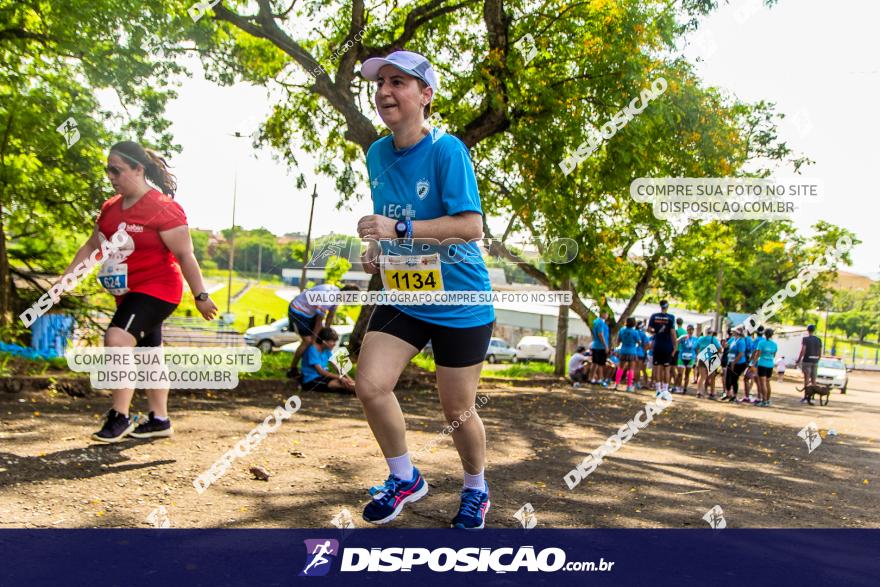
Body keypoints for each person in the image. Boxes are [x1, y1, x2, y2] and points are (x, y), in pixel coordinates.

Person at [356, 51, 494, 529]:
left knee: (456, 409)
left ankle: (476, 488)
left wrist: (395, 228)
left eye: (399, 82)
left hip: (460, 300)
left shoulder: (446, 150)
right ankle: (405, 478)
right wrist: (377, 246)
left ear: (426, 95)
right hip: (407, 294)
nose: (385, 91)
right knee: (371, 385)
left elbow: (470, 226)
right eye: (380, 84)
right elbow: (389, 224)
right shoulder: (376, 153)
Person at [62, 141, 218, 442]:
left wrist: (201, 296)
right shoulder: (110, 209)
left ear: (138, 169)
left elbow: (186, 255)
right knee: (149, 355)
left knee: (117, 338)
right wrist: (66, 279)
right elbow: (93, 246)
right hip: (129, 293)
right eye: (108, 170)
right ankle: (160, 420)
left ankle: (119, 416)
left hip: (159, 289)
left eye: (117, 170)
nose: (111, 176)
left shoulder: (163, 208)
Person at [287, 282, 360, 380]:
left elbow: (330, 316)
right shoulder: (330, 297)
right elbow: (319, 320)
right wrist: (314, 340)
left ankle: (308, 367)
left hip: (309, 313)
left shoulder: (337, 294)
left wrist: (327, 335)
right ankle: (293, 369)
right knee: (308, 341)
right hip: (298, 310)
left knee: (318, 341)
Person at [300, 327, 356, 393]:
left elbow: (337, 367)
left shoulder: (327, 350)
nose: (335, 344)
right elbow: (321, 371)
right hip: (311, 380)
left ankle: (358, 389)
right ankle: (359, 391)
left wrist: (349, 378)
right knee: (338, 384)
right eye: (333, 341)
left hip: (323, 378)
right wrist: (340, 377)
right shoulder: (312, 350)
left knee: (347, 382)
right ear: (324, 341)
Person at [647, 300, 676, 399]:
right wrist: (675, 346)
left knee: (657, 369)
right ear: (667, 307)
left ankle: (658, 390)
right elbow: (673, 333)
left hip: (657, 345)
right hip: (667, 346)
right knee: (666, 369)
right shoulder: (671, 317)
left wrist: (656, 331)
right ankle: (665, 390)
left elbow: (649, 329)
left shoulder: (654, 316)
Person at [796, 324, 823, 403]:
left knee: (806, 380)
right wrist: (818, 359)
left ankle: (806, 397)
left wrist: (798, 359)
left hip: (807, 360)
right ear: (814, 330)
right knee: (814, 381)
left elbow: (803, 350)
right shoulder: (818, 339)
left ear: (807, 330)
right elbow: (820, 352)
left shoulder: (805, 339)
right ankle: (812, 398)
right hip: (815, 361)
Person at [613, 317, 640, 392]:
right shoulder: (635, 332)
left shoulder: (622, 330)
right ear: (634, 323)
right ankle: (629, 386)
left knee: (620, 368)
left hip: (623, 351)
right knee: (631, 369)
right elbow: (639, 342)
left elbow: (618, 341)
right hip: (632, 351)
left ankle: (616, 383)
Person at [752, 328, 778, 407]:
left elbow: (758, 354)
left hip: (762, 364)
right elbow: (774, 355)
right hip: (770, 365)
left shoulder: (761, 343)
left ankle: (764, 400)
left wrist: (753, 363)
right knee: (768, 383)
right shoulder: (774, 344)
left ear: (764, 334)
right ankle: (768, 400)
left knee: (762, 383)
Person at [724, 326, 749, 402]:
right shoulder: (732, 339)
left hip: (739, 363)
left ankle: (734, 395)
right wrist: (724, 343)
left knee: (734, 379)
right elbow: (726, 346)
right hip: (730, 361)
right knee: (727, 378)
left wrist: (734, 363)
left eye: (734, 331)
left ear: (738, 332)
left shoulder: (741, 341)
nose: (732, 332)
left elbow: (741, 354)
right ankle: (728, 393)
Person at [695, 329, 721, 399]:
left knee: (702, 376)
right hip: (711, 358)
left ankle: (699, 392)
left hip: (702, 358)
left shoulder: (700, 339)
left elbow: (695, 347)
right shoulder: (713, 339)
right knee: (712, 377)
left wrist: (698, 354)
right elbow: (720, 349)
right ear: (711, 332)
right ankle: (712, 393)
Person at [589, 311, 610, 387]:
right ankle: (601, 379)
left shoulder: (595, 321)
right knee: (600, 363)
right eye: (607, 313)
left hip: (595, 345)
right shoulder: (601, 323)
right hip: (600, 346)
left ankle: (591, 378)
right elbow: (600, 334)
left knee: (595, 363)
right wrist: (605, 346)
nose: (607, 315)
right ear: (603, 314)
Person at [675, 325, 698, 394]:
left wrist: (697, 357)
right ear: (687, 330)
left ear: (693, 330)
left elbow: (697, 349)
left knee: (687, 374)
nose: (690, 331)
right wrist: (681, 337)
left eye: (691, 330)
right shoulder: (684, 337)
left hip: (691, 358)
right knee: (679, 373)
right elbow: (676, 342)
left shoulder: (695, 339)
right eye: (688, 330)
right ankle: (678, 387)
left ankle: (685, 388)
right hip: (681, 357)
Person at [672, 317, 687, 391]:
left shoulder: (676, 331)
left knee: (674, 369)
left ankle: (676, 384)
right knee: (681, 370)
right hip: (684, 352)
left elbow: (674, 341)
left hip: (676, 351)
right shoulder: (685, 331)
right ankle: (679, 385)